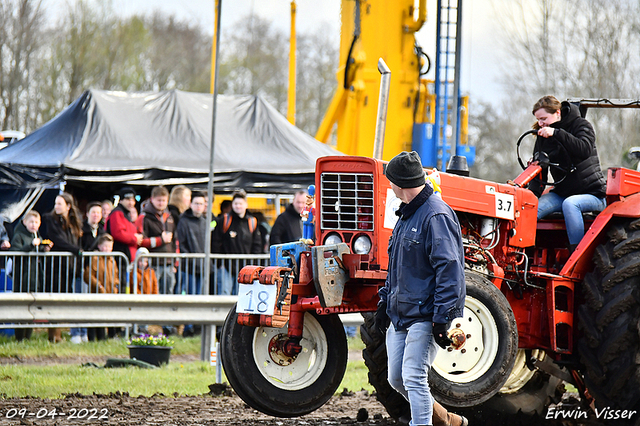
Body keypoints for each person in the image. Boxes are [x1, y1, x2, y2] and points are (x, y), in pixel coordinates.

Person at [376, 151, 467, 426]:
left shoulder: (435, 215)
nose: (389, 185)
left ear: (400, 184)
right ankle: (446, 420)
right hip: (400, 314)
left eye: (390, 180)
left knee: (413, 376)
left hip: (425, 315)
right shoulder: (405, 216)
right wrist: (384, 304)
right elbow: (397, 267)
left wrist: (443, 319)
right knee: (396, 378)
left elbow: (450, 270)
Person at [529, 95, 607, 250]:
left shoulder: (580, 125)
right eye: (538, 120)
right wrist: (531, 195)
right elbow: (540, 173)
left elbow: (584, 149)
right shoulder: (543, 136)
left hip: (592, 193)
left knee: (571, 204)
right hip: (562, 193)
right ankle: (529, 254)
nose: (540, 123)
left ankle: (576, 255)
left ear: (558, 112)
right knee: (531, 208)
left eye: (544, 118)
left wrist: (556, 133)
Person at [41, 192, 85, 343]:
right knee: (54, 298)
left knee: (63, 298)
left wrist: (77, 255)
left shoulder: (74, 222)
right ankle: (54, 335)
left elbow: (77, 241)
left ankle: (58, 333)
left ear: (68, 206)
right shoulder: (50, 219)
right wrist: (76, 251)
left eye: (60, 204)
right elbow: (57, 239)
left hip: (69, 266)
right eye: (56, 203)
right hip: (55, 266)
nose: (56, 206)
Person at [10, 210, 52, 341]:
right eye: (31, 222)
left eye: (36, 222)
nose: (34, 225)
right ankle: (19, 338)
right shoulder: (19, 235)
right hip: (22, 277)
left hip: (35, 277)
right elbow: (14, 251)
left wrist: (45, 249)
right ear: (24, 222)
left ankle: (28, 337)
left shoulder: (37, 235)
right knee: (21, 308)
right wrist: (30, 246)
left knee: (32, 308)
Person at [212, 190, 261, 295]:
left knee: (241, 295)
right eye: (235, 204)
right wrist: (220, 263)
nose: (238, 206)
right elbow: (215, 241)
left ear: (246, 205)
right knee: (224, 293)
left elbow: (257, 244)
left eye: (240, 204)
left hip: (245, 267)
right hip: (226, 266)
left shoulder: (252, 222)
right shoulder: (224, 220)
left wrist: (252, 264)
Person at [136, 186, 177, 294]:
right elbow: (140, 241)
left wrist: (175, 262)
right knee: (152, 292)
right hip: (152, 264)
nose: (161, 203)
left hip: (168, 263)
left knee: (169, 293)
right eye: (159, 200)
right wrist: (160, 240)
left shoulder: (170, 217)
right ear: (152, 199)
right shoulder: (144, 217)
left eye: (164, 200)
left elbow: (174, 241)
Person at [83, 233, 119, 341]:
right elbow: (88, 275)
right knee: (96, 316)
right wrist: (98, 285)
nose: (107, 249)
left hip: (110, 293)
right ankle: (94, 338)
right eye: (105, 246)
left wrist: (115, 287)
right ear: (99, 246)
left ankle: (111, 335)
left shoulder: (112, 260)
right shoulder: (95, 259)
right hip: (98, 292)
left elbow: (115, 275)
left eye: (109, 246)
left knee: (109, 315)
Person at [176, 191, 208, 296]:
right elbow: (181, 242)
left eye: (201, 204)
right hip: (189, 266)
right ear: (191, 204)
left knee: (201, 295)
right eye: (196, 203)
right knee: (190, 294)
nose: (199, 206)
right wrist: (190, 259)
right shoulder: (183, 221)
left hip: (203, 265)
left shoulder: (205, 222)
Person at [106, 187, 143, 261]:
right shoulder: (117, 213)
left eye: (132, 200)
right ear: (121, 200)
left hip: (126, 257)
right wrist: (135, 238)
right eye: (128, 199)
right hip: (121, 257)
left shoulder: (124, 214)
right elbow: (118, 233)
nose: (131, 202)